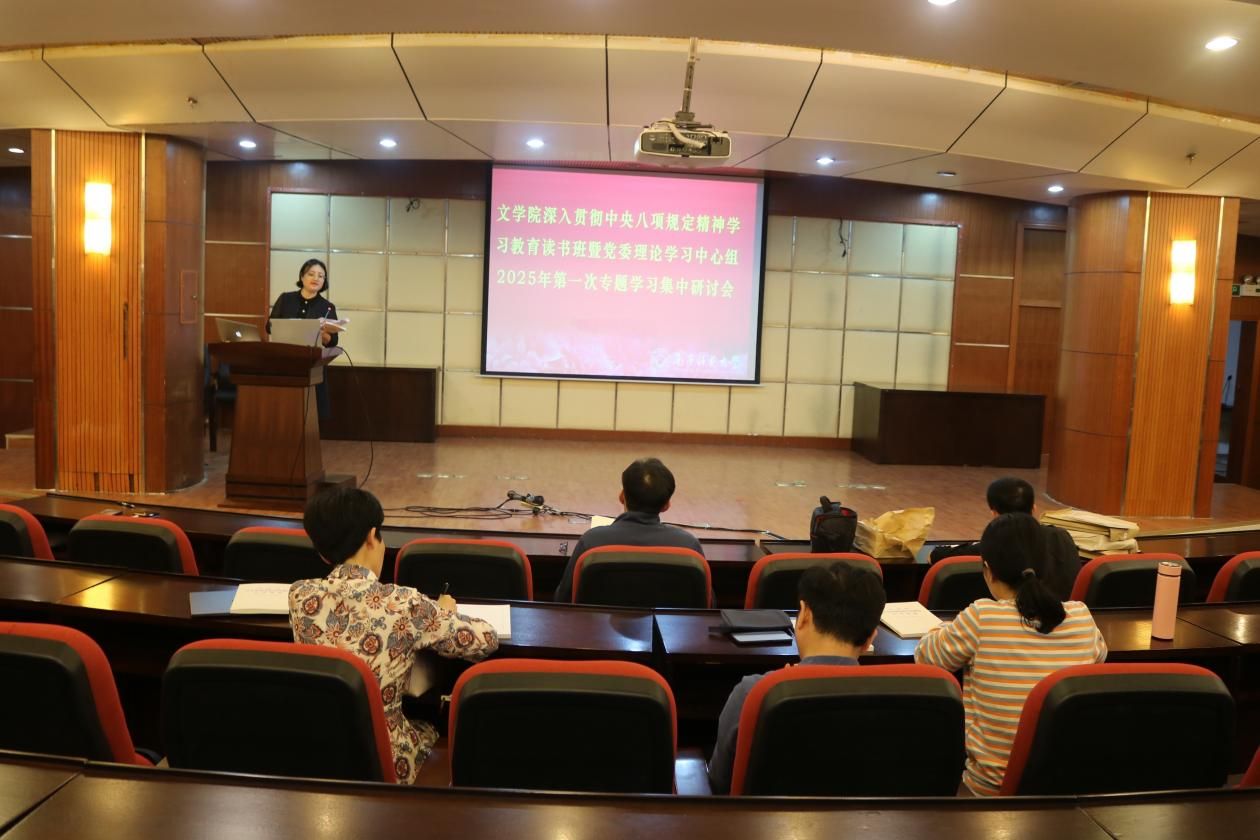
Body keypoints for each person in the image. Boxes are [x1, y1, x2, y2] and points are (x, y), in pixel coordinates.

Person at [288, 486, 499, 785]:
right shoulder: (404, 603)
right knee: (431, 727)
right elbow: (486, 641)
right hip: (384, 761)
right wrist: (443, 613)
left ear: (323, 553)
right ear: (372, 536)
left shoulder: (300, 596)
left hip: (321, 751)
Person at [915, 512, 1107, 796]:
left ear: (988, 570)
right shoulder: (1081, 617)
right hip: (1061, 791)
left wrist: (941, 628)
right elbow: (1098, 658)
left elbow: (926, 658)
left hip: (989, 791)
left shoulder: (982, 616)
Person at [706, 562, 886, 794]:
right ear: (870, 639)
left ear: (804, 616)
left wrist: (785, 685)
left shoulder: (754, 693)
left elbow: (719, 783)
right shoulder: (896, 698)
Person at [553, 457, 704, 602]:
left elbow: (564, 599)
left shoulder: (591, 542)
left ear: (621, 496)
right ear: (666, 505)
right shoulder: (689, 546)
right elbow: (707, 603)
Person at [929, 476, 1080, 600]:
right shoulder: (1062, 537)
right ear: (1034, 509)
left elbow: (934, 556)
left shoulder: (996, 544)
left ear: (994, 514)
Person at [267, 258, 339, 417]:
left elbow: (333, 341)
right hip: (286, 361)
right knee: (284, 412)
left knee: (311, 413)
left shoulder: (327, 307)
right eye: (311, 274)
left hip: (313, 364)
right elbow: (269, 326)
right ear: (302, 277)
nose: (316, 278)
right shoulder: (286, 299)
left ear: (324, 281)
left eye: (321, 276)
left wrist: (322, 334)